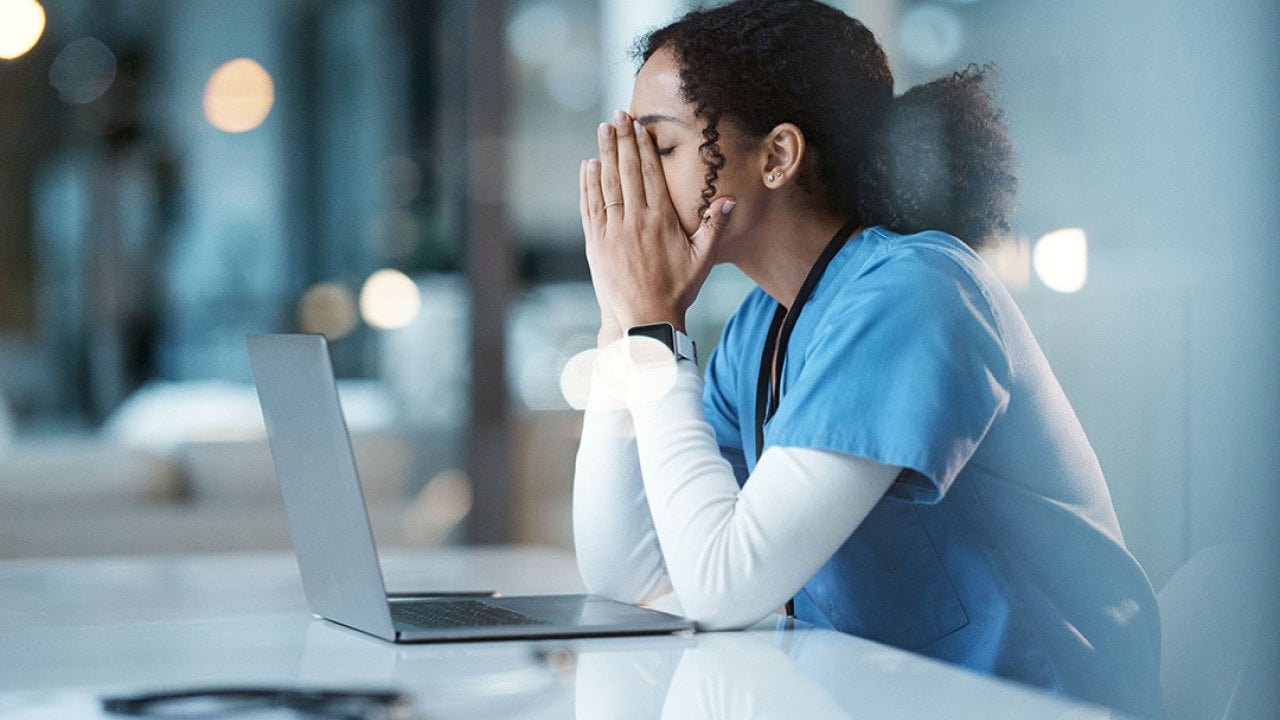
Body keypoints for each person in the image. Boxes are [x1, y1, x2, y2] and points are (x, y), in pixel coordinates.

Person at [572, 1, 1163, 717]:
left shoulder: (915, 294)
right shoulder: (762, 325)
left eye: (660, 149)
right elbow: (624, 577)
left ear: (778, 157)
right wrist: (620, 321)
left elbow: (718, 587)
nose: (629, 181)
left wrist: (654, 329)